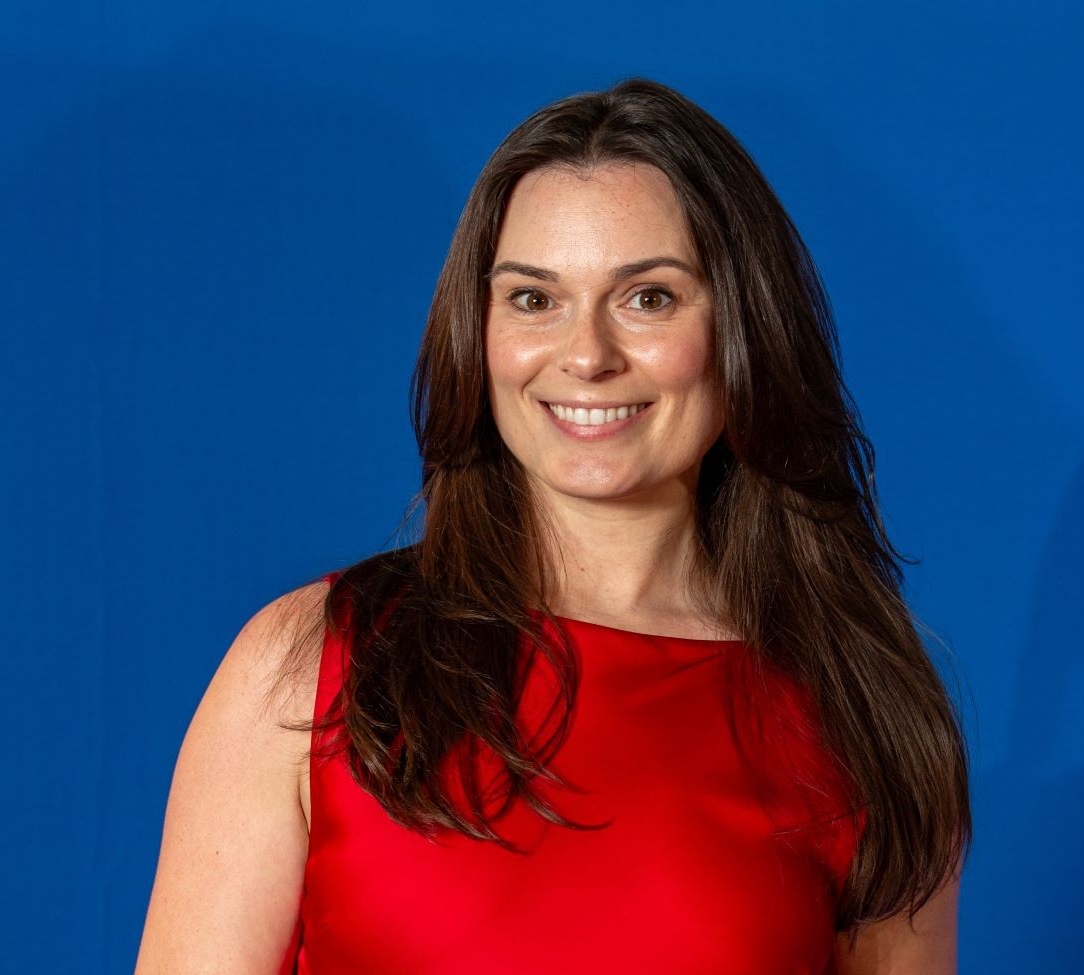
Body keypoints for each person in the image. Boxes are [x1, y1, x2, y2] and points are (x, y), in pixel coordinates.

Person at [135, 78, 970, 974]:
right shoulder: (309, 663)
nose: (586, 354)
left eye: (647, 297)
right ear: (479, 329)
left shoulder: (856, 701)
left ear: (742, 328)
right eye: (534, 299)